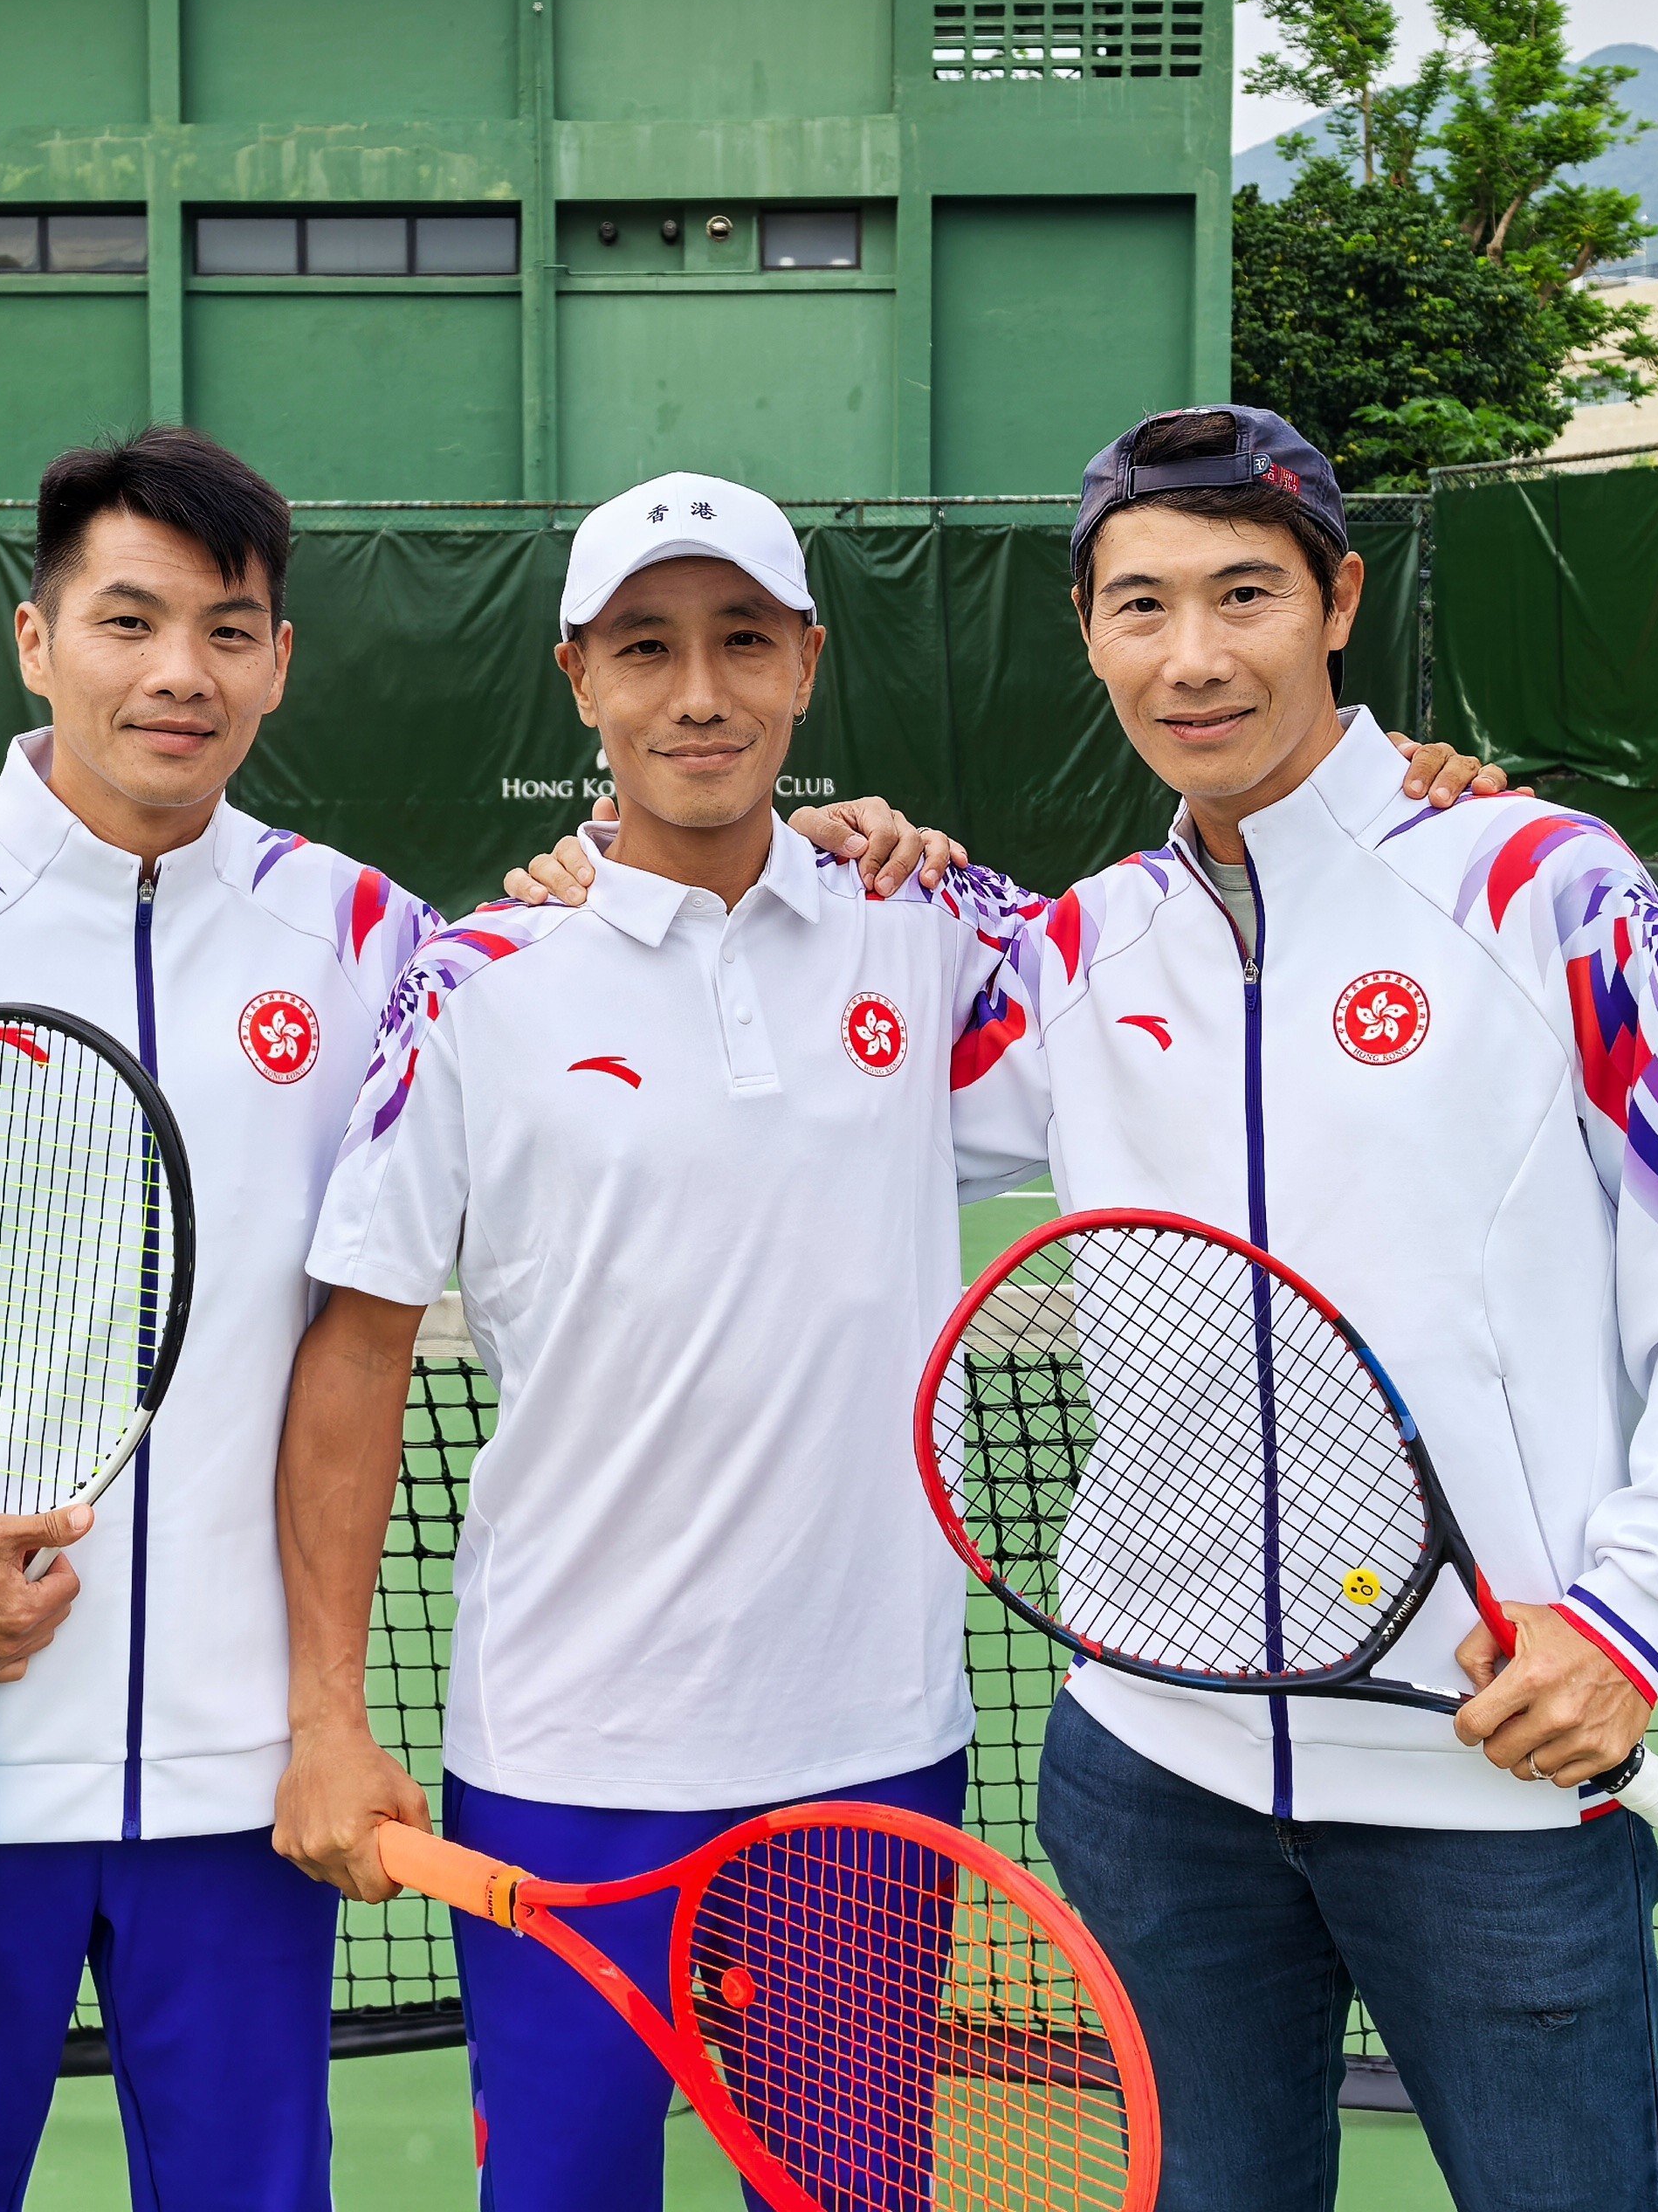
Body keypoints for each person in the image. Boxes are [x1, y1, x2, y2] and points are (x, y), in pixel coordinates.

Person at [0, 430, 946, 2211]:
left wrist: (791, 845)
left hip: (240, 1786)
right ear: (37, 640)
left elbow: (622, 940)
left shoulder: (370, 943)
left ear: (279, 660)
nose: (179, 673)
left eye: (231, 629)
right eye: (129, 621)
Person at [271, 471, 1507, 2209]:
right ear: (577, 680)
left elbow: (1227, 955)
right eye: (645, 648)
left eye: (739, 644)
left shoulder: (936, 928)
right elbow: (355, 1349)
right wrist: (327, 1709)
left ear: (804, 665)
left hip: (864, 1739)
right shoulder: (474, 979)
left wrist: (1402, 801)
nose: (694, 693)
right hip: (561, 1747)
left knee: (857, 2194)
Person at [994, 408, 1658, 2212]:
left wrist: (1625, 1615)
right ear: (1087, 633)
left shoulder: (1545, 886)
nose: (1192, 655)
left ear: (1336, 598)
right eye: (1138, 607)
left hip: (1485, 1776)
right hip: (1152, 1770)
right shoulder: (1069, 951)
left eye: (1243, 595)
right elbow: (836, 1030)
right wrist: (690, 857)